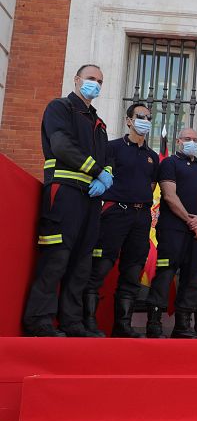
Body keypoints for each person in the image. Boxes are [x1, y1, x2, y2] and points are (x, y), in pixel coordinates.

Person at [23, 64, 112, 337]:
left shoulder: (99, 123)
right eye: (90, 78)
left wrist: (106, 174)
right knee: (57, 257)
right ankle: (39, 320)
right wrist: (97, 171)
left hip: (90, 198)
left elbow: (107, 158)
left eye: (99, 80)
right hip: (64, 192)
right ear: (76, 80)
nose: (94, 84)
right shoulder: (60, 108)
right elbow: (61, 145)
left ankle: (72, 322)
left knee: (82, 262)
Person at [84, 102, 159, 338]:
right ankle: (87, 323)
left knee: (133, 270)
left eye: (148, 117)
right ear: (128, 120)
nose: (144, 120)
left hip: (142, 216)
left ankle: (123, 326)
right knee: (101, 266)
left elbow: (153, 185)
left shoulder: (152, 156)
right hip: (116, 213)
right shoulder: (112, 147)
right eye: (140, 116)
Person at [145, 128, 197, 339]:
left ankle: (183, 325)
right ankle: (154, 323)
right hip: (173, 230)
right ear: (178, 141)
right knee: (165, 275)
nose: (191, 142)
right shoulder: (169, 163)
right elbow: (169, 195)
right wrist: (191, 221)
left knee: (193, 279)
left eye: (195, 139)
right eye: (187, 139)